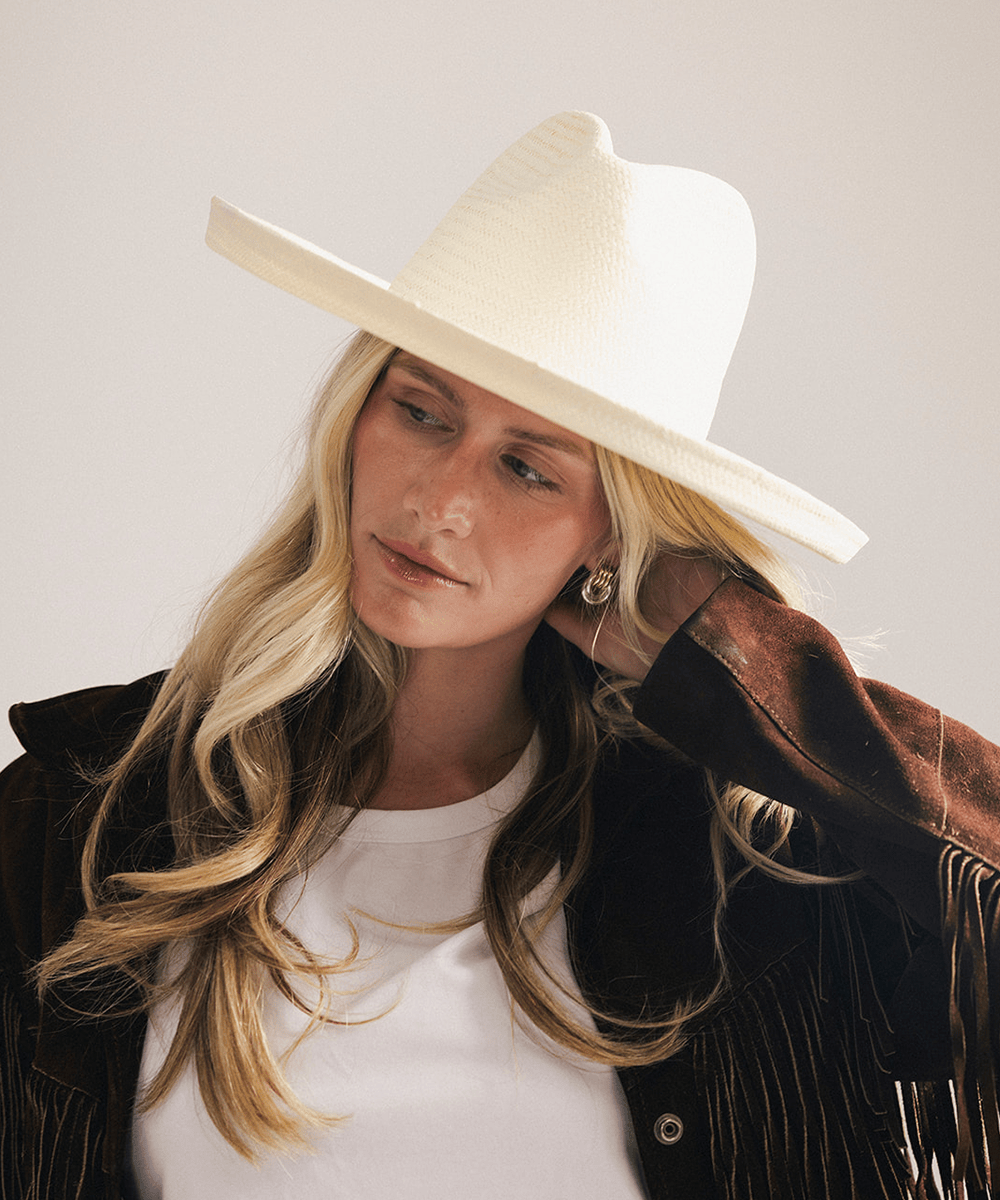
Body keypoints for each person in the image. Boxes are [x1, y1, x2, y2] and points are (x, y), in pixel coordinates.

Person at [1, 111, 997, 1200]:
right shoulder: (82, 814)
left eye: (529, 470)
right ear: (355, 412)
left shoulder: (750, 865)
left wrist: (745, 669)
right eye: (422, 411)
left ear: (612, 531)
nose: (442, 502)